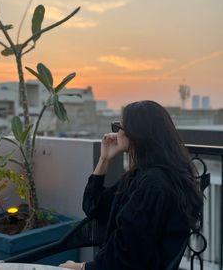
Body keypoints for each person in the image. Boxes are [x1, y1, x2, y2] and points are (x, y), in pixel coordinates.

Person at [60, 100, 203, 270]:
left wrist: (81, 267)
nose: (117, 132)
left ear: (135, 134)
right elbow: (93, 206)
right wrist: (104, 159)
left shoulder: (152, 185)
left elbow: (125, 258)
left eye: (120, 126)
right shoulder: (146, 175)